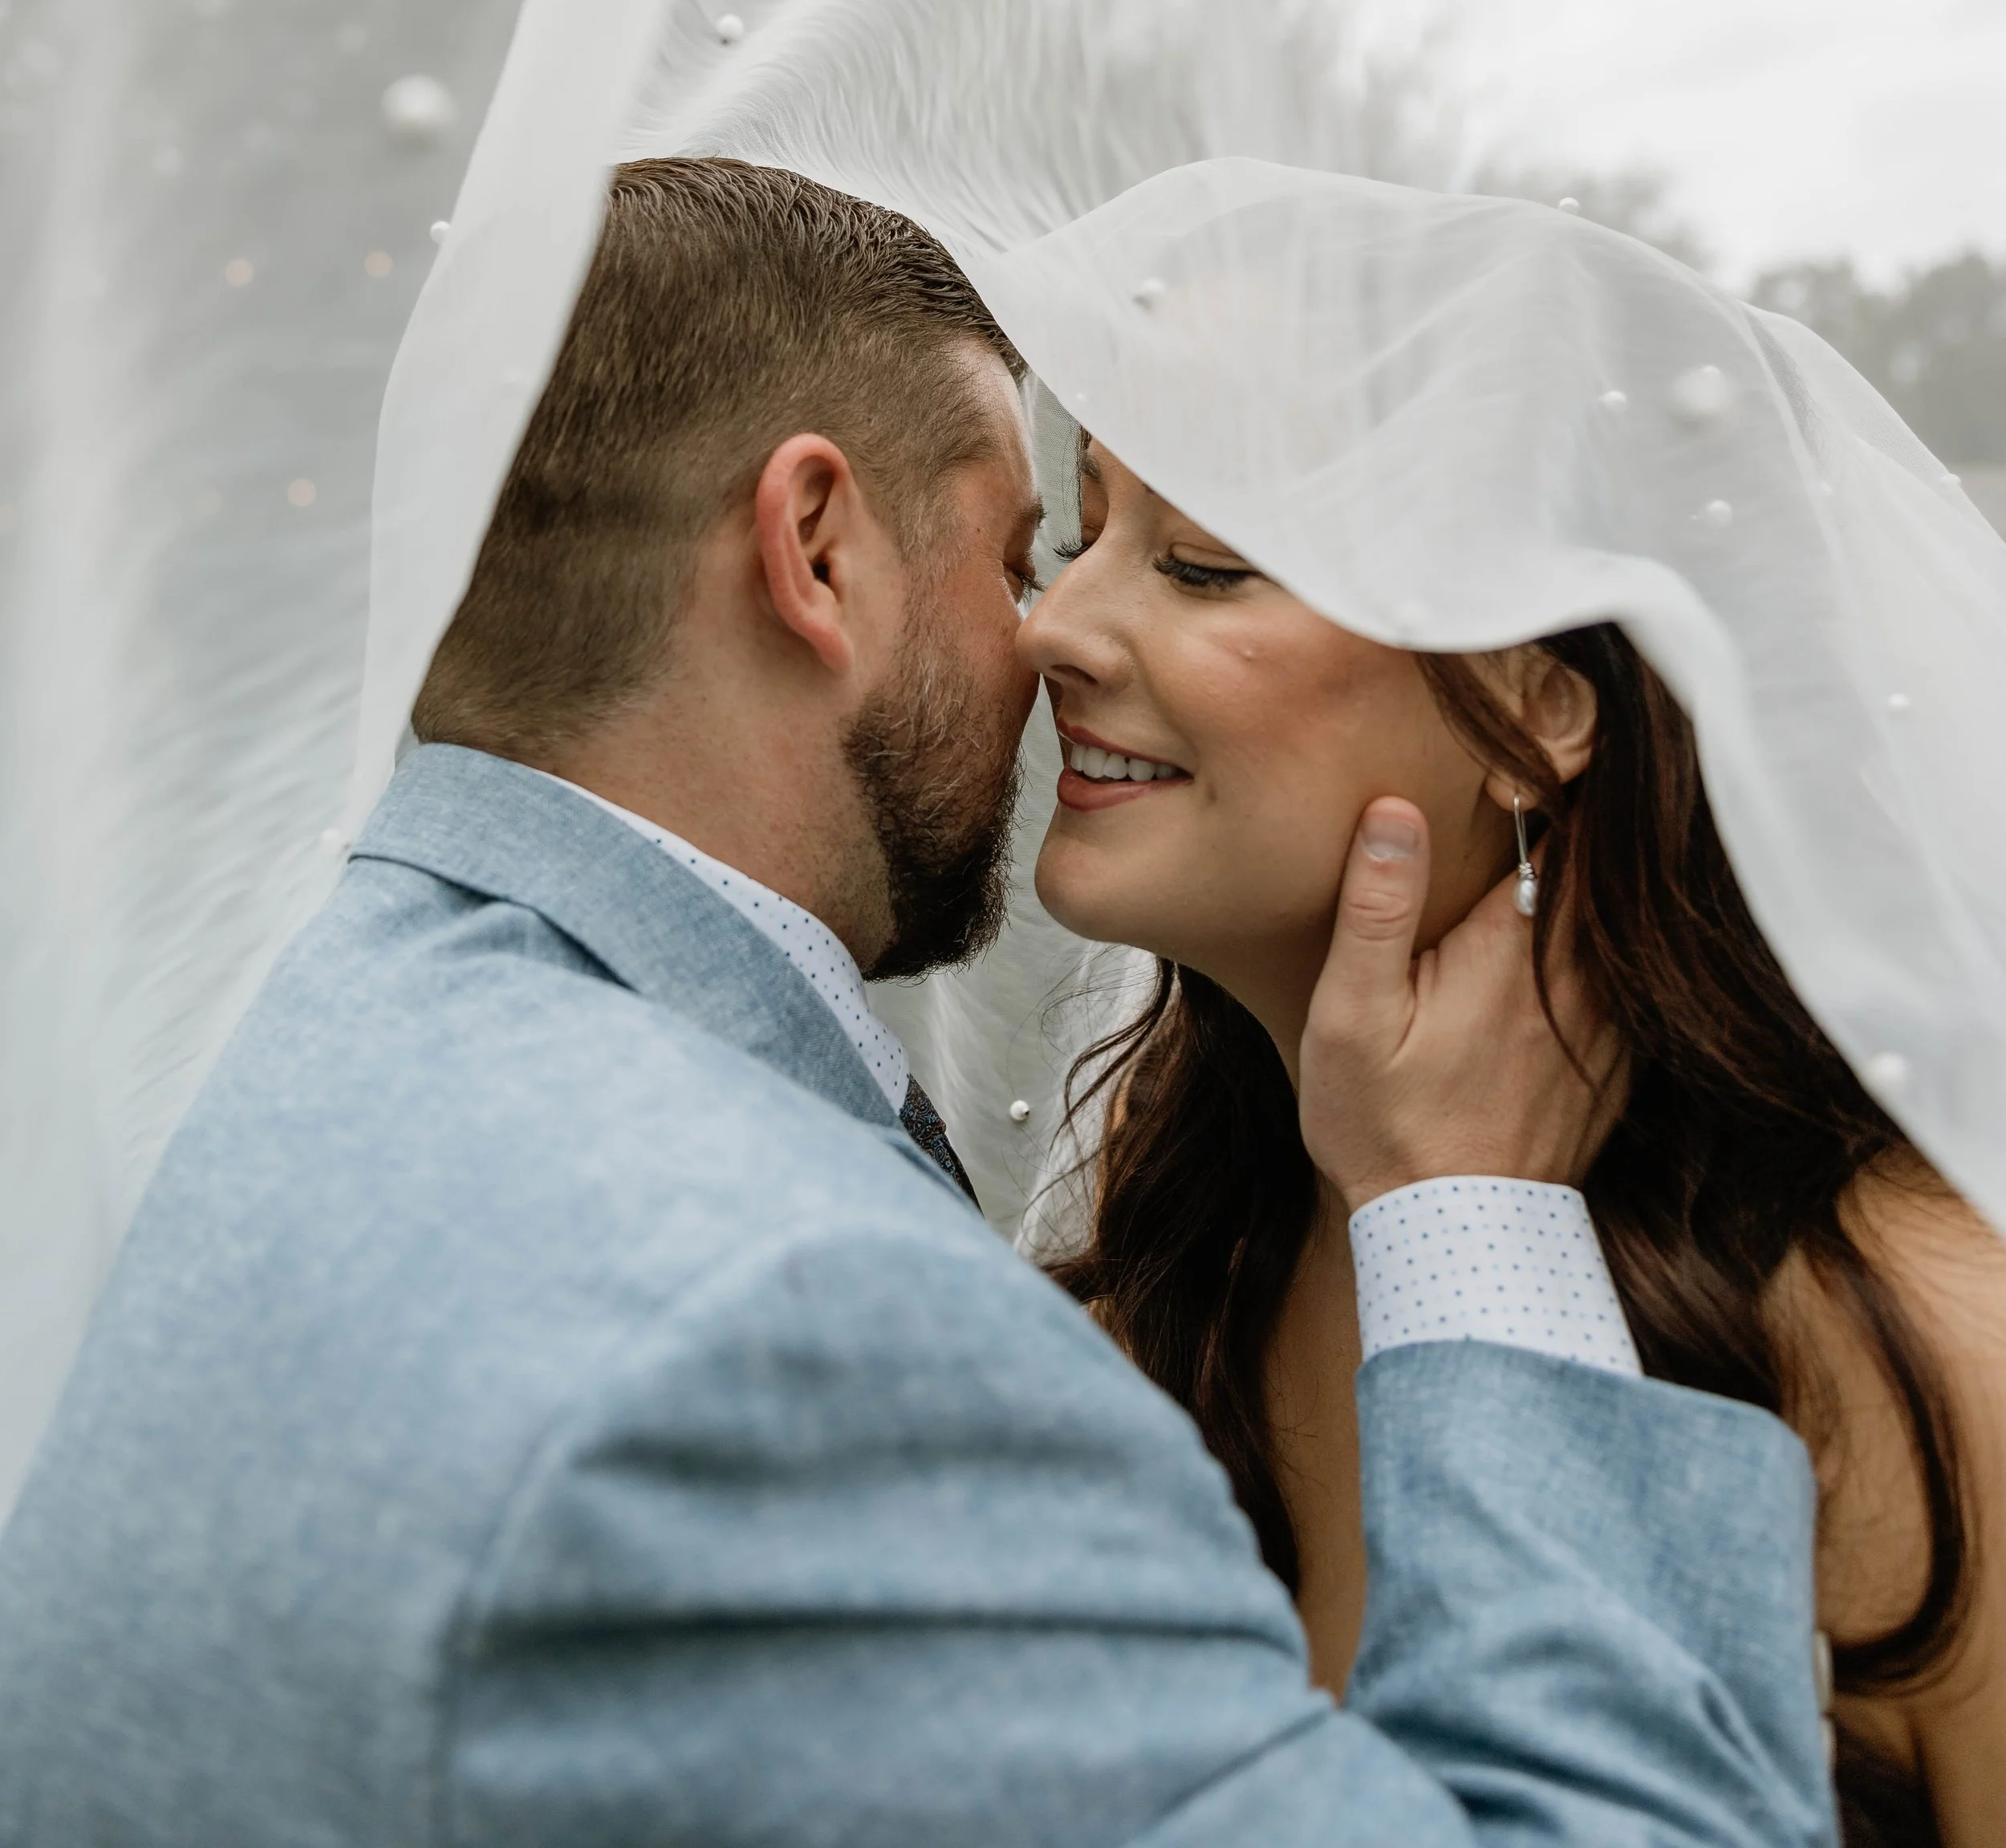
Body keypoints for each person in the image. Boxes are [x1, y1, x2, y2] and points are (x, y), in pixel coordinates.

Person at [0, 158, 1833, 1846]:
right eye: (1026, 542)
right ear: (812, 548)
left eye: (1189, 559)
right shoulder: (780, 1315)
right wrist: (1478, 1223)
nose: (1048, 633)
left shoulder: (324, 1035)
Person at [1028, 435, 2006, 1848]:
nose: (1049, 625)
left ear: (1539, 704)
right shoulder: (1183, 1210)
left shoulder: (1925, 1346)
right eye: (1079, 541)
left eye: (1202, 566)